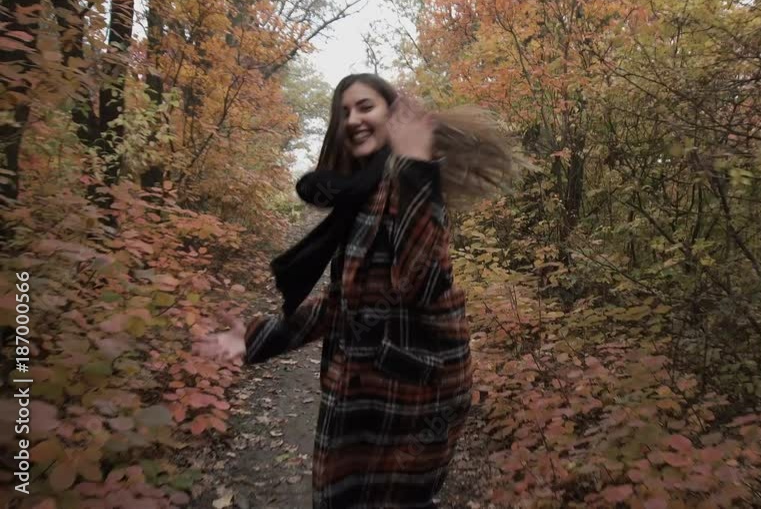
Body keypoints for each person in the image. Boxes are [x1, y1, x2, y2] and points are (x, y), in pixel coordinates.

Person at [195, 73, 519, 508]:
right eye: (344, 112)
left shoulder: (412, 183)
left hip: (412, 402)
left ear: (393, 114)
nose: (352, 119)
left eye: (365, 106)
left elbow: (419, 282)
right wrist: (255, 338)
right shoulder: (368, 194)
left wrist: (416, 165)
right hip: (364, 392)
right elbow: (344, 304)